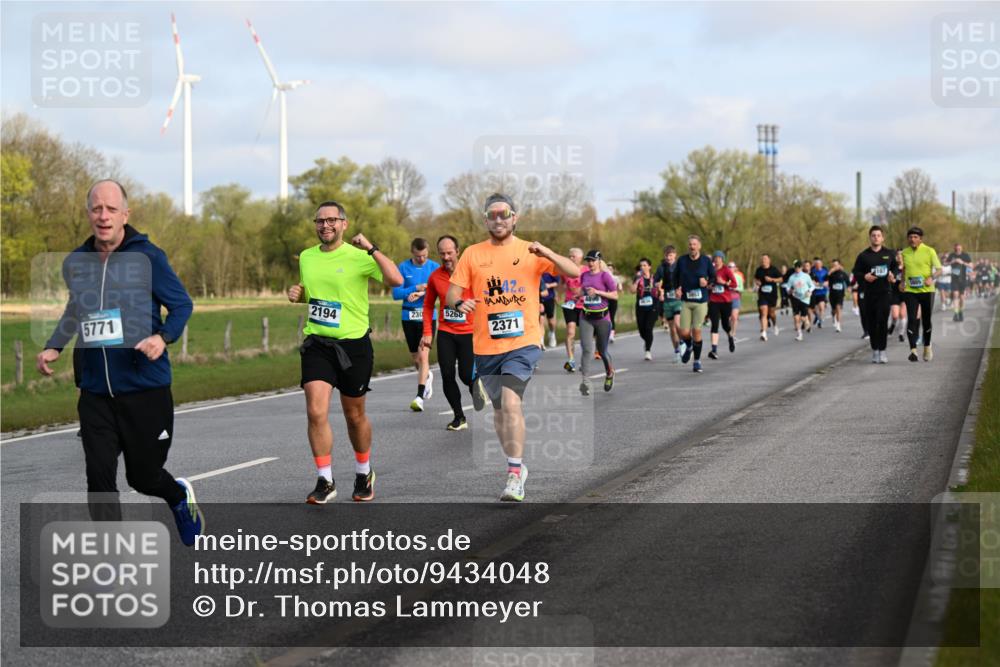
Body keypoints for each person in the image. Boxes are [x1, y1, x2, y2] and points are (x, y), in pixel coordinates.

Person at [36, 180, 201, 545]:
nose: (103, 215)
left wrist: (162, 337)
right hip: (95, 391)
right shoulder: (76, 263)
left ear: (125, 215)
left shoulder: (149, 258)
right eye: (97, 208)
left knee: (142, 478)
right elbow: (76, 309)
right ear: (88, 214)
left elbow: (181, 305)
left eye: (111, 209)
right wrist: (55, 346)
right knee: (99, 480)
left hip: (144, 387)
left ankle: (177, 496)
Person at [447, 193, 580, 502]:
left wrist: (546, 250)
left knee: (510, 402)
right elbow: (453, 293)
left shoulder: (530, 251)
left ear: (514, 217)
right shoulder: (472, 254)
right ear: (485, 220)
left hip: (524, 342)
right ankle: (517, 466)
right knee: (498, 411)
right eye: (492, 215)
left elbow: (573, 272)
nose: (498, 219)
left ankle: (514, 474)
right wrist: (460, 301)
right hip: (486, 344)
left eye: (504, 214)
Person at [288, 200, 403, 504]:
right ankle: (325, 480)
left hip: (354, 346)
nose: (324, 226)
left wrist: (372, 248)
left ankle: (363, 472)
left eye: (331, 220)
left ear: (344, 224)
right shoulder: (308, 257)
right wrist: (298, 297)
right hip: (318, 344)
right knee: (315, 410)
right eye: (319, 221)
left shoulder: (359, 256)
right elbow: (317, 298)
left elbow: (396, 280)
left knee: (354, 416)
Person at [420, 235, 479, 431]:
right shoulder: (435, 276)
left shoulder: (472, 273)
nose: (446, 257)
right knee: (446, 374)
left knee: (465, 375)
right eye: (442, 253)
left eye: (449, 253)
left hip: (469, 332)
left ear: (458, 251)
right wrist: (427, 332)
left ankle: (479, 389)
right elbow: (428, 306)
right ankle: (459, 417)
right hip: (446, 332)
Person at [392, 238, 440, 412]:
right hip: (408, 317)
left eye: (425, 255)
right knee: (416, 358)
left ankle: (419, 397)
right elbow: (396, 294)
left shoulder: (434, 267)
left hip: (428, 317)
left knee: (424, 357)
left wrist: (424, 291)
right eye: (418, 256)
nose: (422, 259)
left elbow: (440, 289)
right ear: (412, 252)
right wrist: (413, 289)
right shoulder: (403, 268)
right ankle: (427, 376)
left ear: (428, 251)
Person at [852, 225, 898, 364]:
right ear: (870, 237)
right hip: (869, 293)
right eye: (873, 235)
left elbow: (895, 268)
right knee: (872, 323)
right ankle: (875, 350)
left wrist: (892, 275)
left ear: (882, 238)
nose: (876, 238)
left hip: (884, 292)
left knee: (882, 322)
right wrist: (864, 276)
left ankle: (883, 351)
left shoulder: (889, 253)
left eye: (878, 235)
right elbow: (856, 272)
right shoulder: (863, 255)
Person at [578, 250, 618, 393]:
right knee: (587, 349)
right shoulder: (584, 275)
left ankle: (609, 373)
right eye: (588, 260)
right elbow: (582, 291)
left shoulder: (605, 276)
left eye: (593, 260)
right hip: (586, 317)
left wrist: (598, 292)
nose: (590, 263)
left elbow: (615, 295)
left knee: (602, 351)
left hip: (602, 319)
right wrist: (579, 294)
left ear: (599, 261)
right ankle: (585, 382)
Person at [900, 226, 941, 362]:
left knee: (926, 320)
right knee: (912, 319)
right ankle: (913, 350)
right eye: (910, 237)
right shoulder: (904, 252)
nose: (912, 239)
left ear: (920, 239)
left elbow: (939, 269)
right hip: (910, 291)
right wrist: (901, 282)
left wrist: (932, 278)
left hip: (927, 291)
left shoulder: (929, 251)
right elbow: (904, 270)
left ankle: (927, 346)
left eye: (915, 237)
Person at [675, 235, 715, 373]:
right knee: (684, 332)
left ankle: (697, 361)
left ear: (699, 246)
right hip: (686, 300)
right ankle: (689, 346)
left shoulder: (706, 261)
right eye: (690, 244)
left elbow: (713, 277)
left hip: (701, 301)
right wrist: (677, 288)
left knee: (696, 331)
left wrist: (707, 282)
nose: (692, 246)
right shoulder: (682, 260)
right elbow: (676, 276)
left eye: (694, 244)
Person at [655, 245, 683, 363]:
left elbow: (686, 279)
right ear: (664, 256)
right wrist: (658, 287)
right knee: (672, 329)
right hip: (667, 300)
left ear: (675, 255)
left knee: (677, 324)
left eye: (671, 255)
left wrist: (681, 288)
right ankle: (676, 351)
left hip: (678, 300)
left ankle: (683, 343)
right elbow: (656, 280)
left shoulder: (680, 266)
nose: (669, 258)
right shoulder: (661, 267)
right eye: (667, 255)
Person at [707, 251, 737, 358]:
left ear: (722, 259)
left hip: (725, 301)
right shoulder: (711, 270)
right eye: (715, 257)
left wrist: (724, 282)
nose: (717, 259)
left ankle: (730, 337)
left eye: (719, 258)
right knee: (714, 324)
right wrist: (709, 286)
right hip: (714, 301)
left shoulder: (726, 270)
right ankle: (714, 350)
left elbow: (734, 284)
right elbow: (707, 283)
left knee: (725, 324)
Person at [560, 248, 585, 372]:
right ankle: (571, 360)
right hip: (569, 305)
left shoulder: (586, 270)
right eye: (569, 256)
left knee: (585, 334)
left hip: (584, 305)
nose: (570, 259)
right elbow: (562, 285)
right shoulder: (565, 271)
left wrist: (582, 292)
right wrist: (558, 298)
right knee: (570, 332)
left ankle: (584, 360)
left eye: (573, 256)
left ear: (580, 257)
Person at [633, 258, 658, 361]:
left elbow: (661, 289)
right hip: (640, 307)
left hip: (653, 307)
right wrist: (637, 281)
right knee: (642, 330)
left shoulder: (655, 278)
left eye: (644, 265)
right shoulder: (638, 278)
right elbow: (632, 290)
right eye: (641, 266)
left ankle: (648, 350)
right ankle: (647, 341)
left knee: (648, 328)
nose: (642, 267)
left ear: (649, 267)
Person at [754, 253, 783, 341]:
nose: (764, 261)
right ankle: (764, 333)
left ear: (769, 260)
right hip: (762, 294)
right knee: (763, 312)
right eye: (762, 259)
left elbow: (781, 279)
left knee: (771, 313)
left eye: (765, 259)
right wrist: (757, 282)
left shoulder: (774, 269)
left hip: (772, 295)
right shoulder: (759, 270)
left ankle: (774, 325)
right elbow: (755, 278)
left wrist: (772, 280)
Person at [785, 261, 815, 341]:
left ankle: (806, 321)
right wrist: (789, 291)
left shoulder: (806, 276)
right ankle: (799, 334)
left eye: (799, 267)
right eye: (796, 267)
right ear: (794, 268)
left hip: (805, 298)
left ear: (801, 267)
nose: (797, 268)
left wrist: (809, 291)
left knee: (802, 317)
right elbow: (787, 287)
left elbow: (812, 286)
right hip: (795, 297)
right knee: (796, 317)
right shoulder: (792, 277)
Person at [947, 243, 973, 321]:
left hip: (963, 279)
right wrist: (953, 261)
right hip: (954, 279)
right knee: (955, 295)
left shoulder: (965, 255)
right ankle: (956, 313)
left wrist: (963, 262)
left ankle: (960, 311)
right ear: (954, 248)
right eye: (956, 249)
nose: (958, 250)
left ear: (961, 248)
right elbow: (945, 263)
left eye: (959, 249)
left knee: (962, 298)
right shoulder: (951, 255)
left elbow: (971, 265)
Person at [826, 258, 850, 333]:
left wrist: (849, 287)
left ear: (839, 265)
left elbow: (848, 282)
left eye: (836, 265)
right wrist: (829, 273)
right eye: (833, 265)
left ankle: (838, 325)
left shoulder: (843, 273)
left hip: (840, 294)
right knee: (834, 310)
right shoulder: (830, 273)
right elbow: (825, 280)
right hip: (832, 294)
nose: (835, 266)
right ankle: (833, 316)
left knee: (838, 308)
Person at [540, 271, 560, 348]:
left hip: (549, 298)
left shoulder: (551, 270)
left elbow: (557, 282)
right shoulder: (536, 268)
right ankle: (541, 341)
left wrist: (548, 285)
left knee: (551, 321)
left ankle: (552, 333)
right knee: (540, 320)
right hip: (538, 298)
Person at [809, 258, 829, 328]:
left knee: (821, 307)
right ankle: (817, 316)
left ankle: (820, 322)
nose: (817, 265)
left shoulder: (825, 272)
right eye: (816, 264)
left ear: (821, 264)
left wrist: (820, 284)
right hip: (814, 292)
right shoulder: (812, 272)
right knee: (813, 308)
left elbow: (827, 282)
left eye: (819, 264)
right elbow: (811, 281)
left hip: (822, 292)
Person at [728, 260, 745, 337]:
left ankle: (733, 333)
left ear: (735, 268)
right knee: (729, 317)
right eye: (729, 267)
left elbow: (742, 288)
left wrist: (736, 288)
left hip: (735, 298)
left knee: (734, 316)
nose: (731, 268)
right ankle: (730, 330)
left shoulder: (738, 277)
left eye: (732, 267)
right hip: (726, 299)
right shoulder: (725, 276)